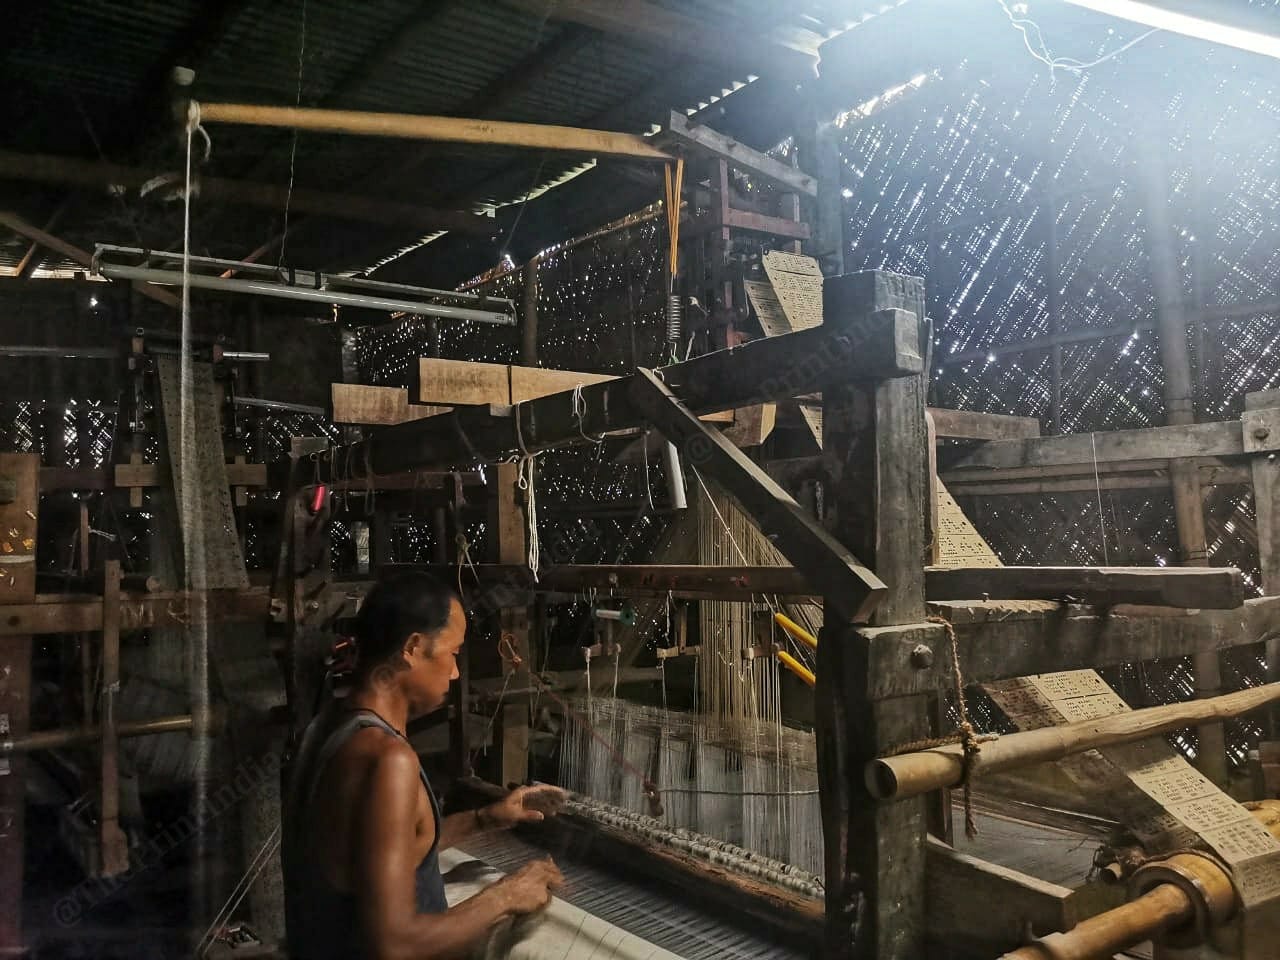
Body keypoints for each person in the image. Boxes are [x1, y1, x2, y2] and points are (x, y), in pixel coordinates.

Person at [283, 570, 565, 960]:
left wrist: (486, 818)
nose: (455, 672)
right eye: (452, 654)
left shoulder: (328, 728)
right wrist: (506, 895)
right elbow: (395, 943)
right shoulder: (389, 761)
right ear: (413, 648)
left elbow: (385, 851)